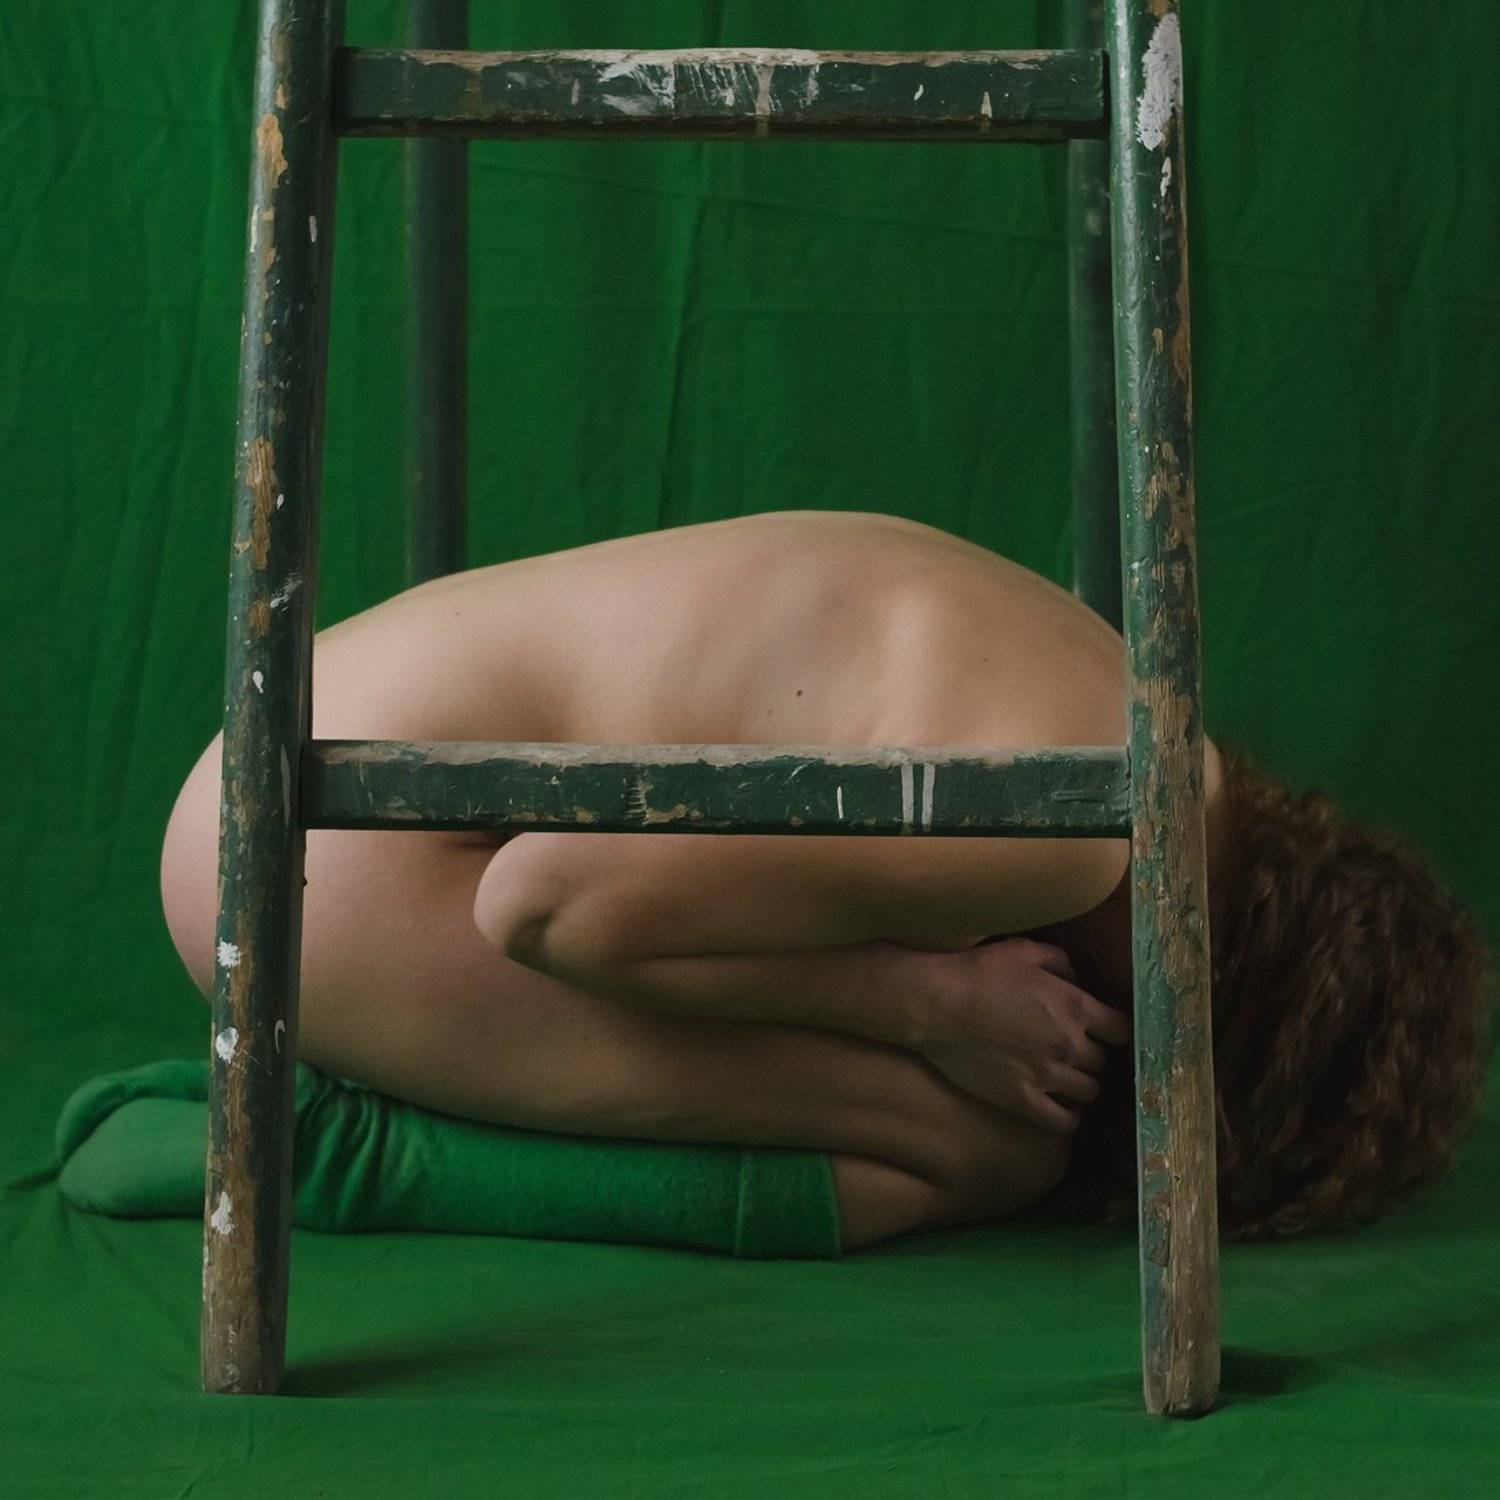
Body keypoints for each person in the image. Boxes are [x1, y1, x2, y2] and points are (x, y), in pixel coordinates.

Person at [158, 509, 1494, 1249]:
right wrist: (932, 1008)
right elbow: (543, 902)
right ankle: (349, 1155)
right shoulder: (1069, 834)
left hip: (306, 776)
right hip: (308, 866)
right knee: (990, 1149)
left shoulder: (1146, 723)